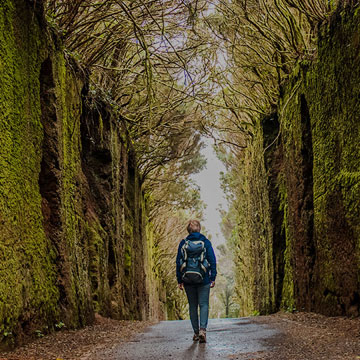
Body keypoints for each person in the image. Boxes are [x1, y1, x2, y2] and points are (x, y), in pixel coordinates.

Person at [176, 220, 217, 343]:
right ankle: (202, 330)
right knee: (204, 304)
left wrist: (179, 279)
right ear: (199, 229)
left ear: (188, 231)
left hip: (188, 279)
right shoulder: (205, 242)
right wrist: (212, 277)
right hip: (203, 279)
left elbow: (179, 262)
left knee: (193, 306)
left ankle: (195, 332)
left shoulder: (183, 243)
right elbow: (212, 260)